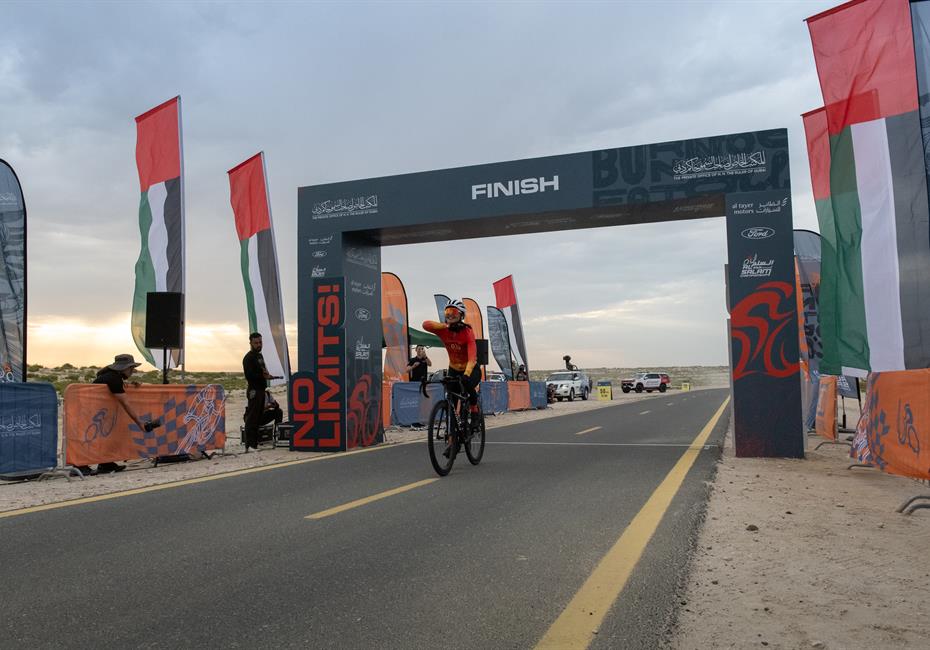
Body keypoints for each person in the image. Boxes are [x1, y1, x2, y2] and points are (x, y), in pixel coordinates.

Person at [74, 354, 158, 475]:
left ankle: (105, 463)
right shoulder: (114, 379)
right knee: (91, 437)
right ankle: (80, 464)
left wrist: (129, 385)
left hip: (90, 410)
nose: (133, 371)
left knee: (103, 437)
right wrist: (140, 424)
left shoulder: (110, 376)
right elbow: (126, 403)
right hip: (89, 411)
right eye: (131, 368)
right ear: (124, 368)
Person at [423, 299, 480, 423]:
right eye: (447, 312)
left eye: (453, 312)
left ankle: (474, 411)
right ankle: (452, 433)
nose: (450, 315)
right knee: (451, 398)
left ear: (461, 315)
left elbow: (472, 357)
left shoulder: (467, 332)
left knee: (468, 385)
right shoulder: (444, 330)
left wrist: (466, 374)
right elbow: (425, 324)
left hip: (470, 368)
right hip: (453, 368)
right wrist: (445, 325)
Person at [242, 332, 273, 451]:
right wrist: (262, 375)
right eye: (256, 343)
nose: (259, 345)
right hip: (254, 390)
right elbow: (249, 376)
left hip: (261, 389)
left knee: (258, 417)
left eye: (260, 342)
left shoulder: (260, 356)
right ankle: (249, 445)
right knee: (252, 418)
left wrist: (267, 375)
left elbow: (262, 371)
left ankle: (254, 443)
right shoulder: (248, 358)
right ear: (250, 343)